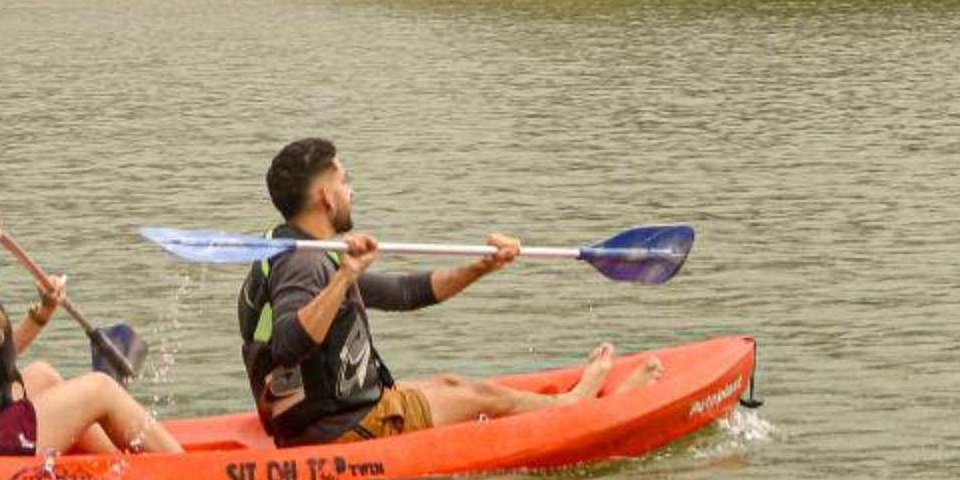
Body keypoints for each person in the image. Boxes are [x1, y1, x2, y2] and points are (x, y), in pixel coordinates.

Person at [239, 137, 662, 445]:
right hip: (341, 430)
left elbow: (405, 292)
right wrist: (345, 277)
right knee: (484, 396)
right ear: (326, 198)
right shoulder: (307, 263)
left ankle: (572, 401)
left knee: (453, 383)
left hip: (320, 417)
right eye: (346, 181)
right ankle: (583, 409)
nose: (352, 191)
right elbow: (288, 345)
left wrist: (481, 266)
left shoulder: (300, 251)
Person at [0, 177, 181, 458]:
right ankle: (180, 467)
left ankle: (115, 465)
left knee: (43, 376)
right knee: (99, 388)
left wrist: (42, 313)